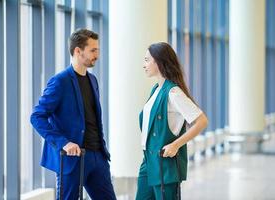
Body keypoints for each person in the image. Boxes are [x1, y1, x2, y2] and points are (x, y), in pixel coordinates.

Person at [30, 28, 116, 200]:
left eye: (97, 50)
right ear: (78, 51)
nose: (97, 55)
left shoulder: (93, 80)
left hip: (98, 157)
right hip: (72, 160)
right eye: (92, 50)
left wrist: (101, 151)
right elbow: (37, 117)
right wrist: (64, 143)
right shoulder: (60, 82)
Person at [135, 42, 208, 200]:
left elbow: (201, 121)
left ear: (159, 62)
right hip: (148, 161)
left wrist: (176, 145)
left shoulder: (173, 92)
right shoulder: (156, 89)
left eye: (147, 60)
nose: (144, 65)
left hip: (164, 164)